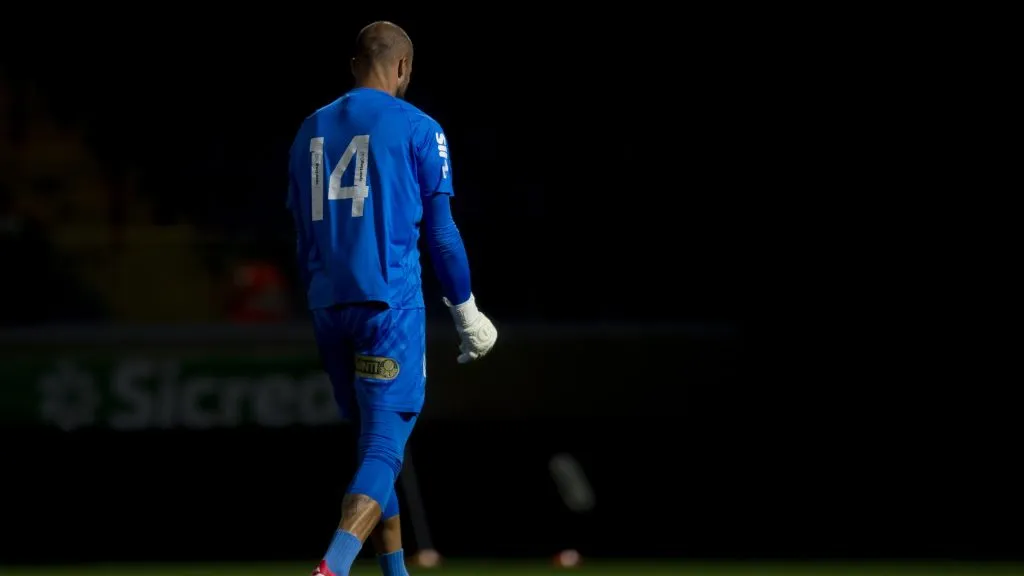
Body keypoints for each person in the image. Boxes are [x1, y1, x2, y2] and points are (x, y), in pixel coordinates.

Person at [286, 21, 498, 576]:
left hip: (329, 307)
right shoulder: (419, 127)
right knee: (383, 449)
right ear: (403, 68)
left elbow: (301, 231)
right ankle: (332, 568)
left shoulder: (308, 128)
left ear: (353, 62)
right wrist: (468, 312)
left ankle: (396, 574)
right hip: (387, 306)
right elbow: (442, 233)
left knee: (373, 450)